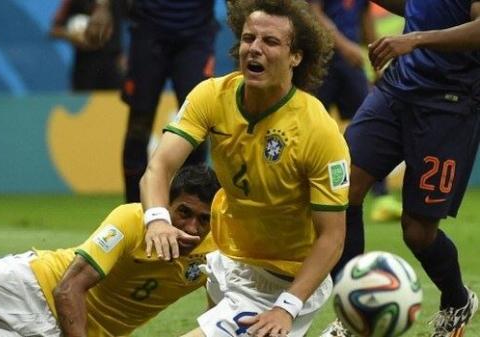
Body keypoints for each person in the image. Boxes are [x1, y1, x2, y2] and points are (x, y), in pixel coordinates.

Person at [140, 1, 349, 336]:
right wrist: (157, 220)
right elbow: (159, 167)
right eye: (249, 38)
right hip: (227, 255)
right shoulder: (211, 95)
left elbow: (333, 237)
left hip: (283, 279)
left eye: (270, 42)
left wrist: (286, 307)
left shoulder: (318, 130)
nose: (255, 48)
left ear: (296, 56)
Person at [0, 165, 221, 337]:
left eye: (203, 220)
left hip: (64, 333)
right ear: (165, 204)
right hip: (30, 284)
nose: (191, 228)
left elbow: (219, 318)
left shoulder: (217, 252)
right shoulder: (133, 219)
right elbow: (68, 288)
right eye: (184, 213)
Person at [323, 0, 480, 336]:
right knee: (341, 189)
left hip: (448, 106)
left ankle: (457, 300)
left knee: (418, 232)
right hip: (396, 91)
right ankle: (351, 314)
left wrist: (416, 39)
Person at [309, 0, 401, 225]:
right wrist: (344, 46)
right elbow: (313, 13)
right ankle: (301, 194)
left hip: (352, 65)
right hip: (321, 61)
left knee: (371, 126)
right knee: (309, 128)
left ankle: (382, 198)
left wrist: (378, 56)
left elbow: (365, 17)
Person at [120, 0, 220, 202]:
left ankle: (190, 206)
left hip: (196, 34)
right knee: (139, 127)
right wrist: (102, 7)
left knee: (199, 126)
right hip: (148, 29)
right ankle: (135, 208)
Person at [50, 0, 124, 91]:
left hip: (113, 65)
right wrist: (74, 35)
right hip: (85, 67)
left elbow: (139, 19)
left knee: (117, 103)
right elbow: (54, 30)